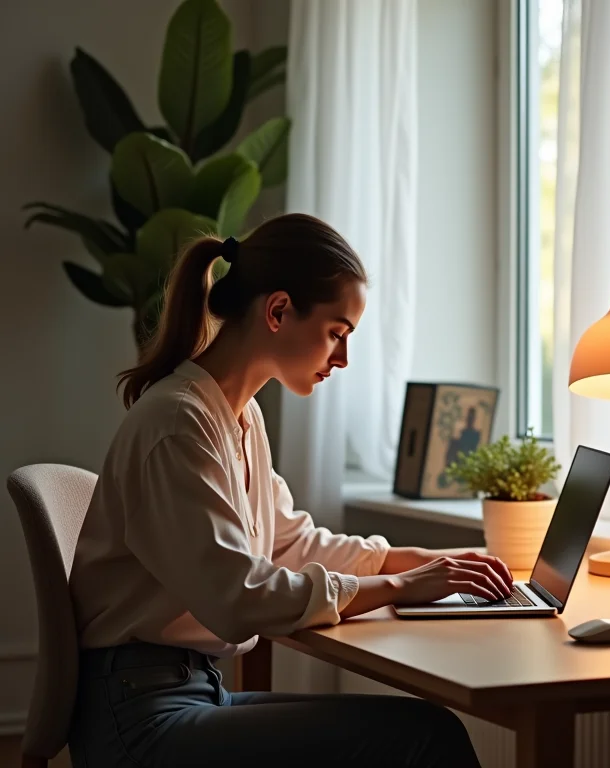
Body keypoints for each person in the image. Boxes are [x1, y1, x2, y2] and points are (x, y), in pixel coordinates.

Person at [67, 213, 513, 768]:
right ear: (278, 311)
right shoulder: (178, 424)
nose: (342, 359)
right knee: (424, 737)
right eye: (337, 333)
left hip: (189, 692)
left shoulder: (239, 416)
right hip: (138, 723)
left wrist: (420, 562)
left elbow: (290, 543)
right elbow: (239, 598)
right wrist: (399, 586)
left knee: (424, 729)